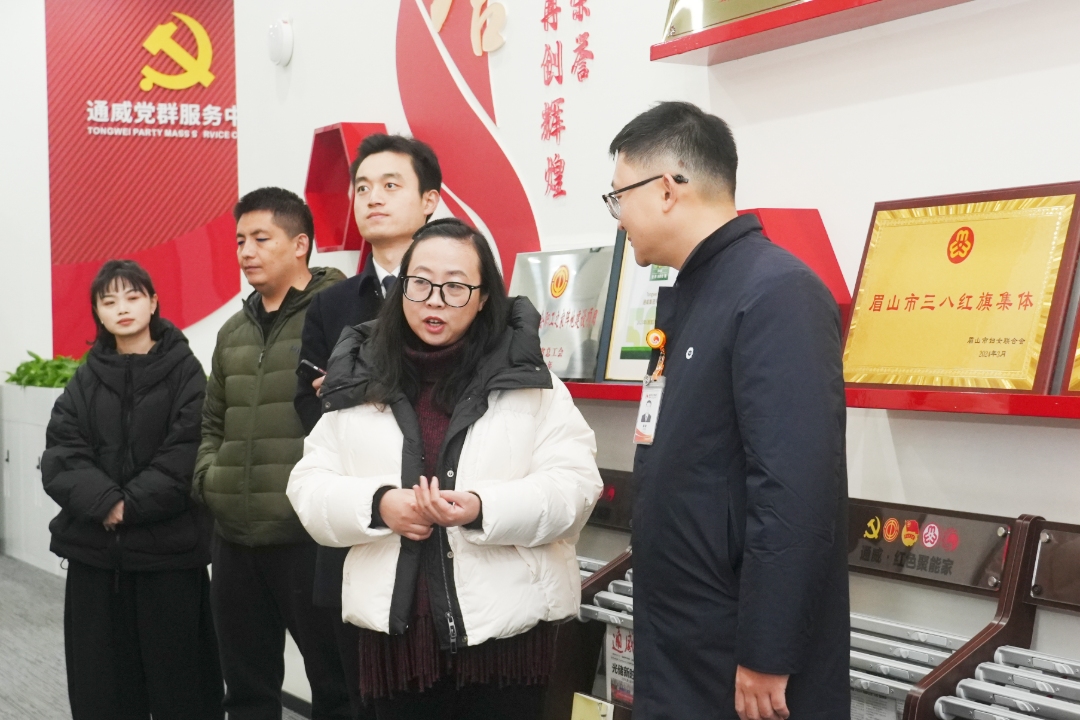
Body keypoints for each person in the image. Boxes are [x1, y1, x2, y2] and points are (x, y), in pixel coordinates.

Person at [287, 218, 603, 720]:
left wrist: (483, 509)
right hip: (397, 647)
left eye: (456, 287)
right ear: (401, 289)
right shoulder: (361, 375)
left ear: (483, 298)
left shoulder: (527, 381)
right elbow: (308, 485)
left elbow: (576, 487)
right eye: (421, 283)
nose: (435, 300)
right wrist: (379, 505)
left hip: (505, 644)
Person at [606, 102, 849, 720]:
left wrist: (768, 650)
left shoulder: (777, 291)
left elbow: (794, 489)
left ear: (667, 189)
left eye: (619, 197)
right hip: (685, 634)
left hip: (740, 654)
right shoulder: (701, 289)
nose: (619, 217)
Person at [295, 135, 442, 716]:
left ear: (429, 200)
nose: (372, 198)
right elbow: (307, 404)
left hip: (438, 524)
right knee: (355, 698)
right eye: (362, 187)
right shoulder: (331, 305)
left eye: (390, 185)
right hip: (357, 530)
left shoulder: (464, 289)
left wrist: (357, 393)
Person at [192, 187, 351, 720]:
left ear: (300, 244)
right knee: (245, 691)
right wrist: (210, 481)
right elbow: (212, 422)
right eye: (240, 240)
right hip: (235, 538)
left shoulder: (337, 315)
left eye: (261, 239)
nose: (246, 252)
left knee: (334, 687)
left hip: (305, 536)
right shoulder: (232, 330)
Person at [42, 260, 223, 720]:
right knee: (101, 689)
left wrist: (128, 506)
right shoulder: (85, 378)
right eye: (109, 301)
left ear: (153, 302)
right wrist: (105, 502)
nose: (122, 308)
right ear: (98, 313)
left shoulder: (186, 372)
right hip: (96, 560)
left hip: (167, 559)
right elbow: (62, 453)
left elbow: (188, 451)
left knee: (179, 688)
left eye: (133, 296)